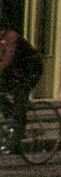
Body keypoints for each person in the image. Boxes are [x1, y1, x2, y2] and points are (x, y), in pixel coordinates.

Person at [0, 17, 42, 154]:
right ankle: (10, 119)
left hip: (31, 68)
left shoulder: (11, 36)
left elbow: (8, 59)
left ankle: (16, 140)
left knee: (20, 98)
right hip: (16, 70)